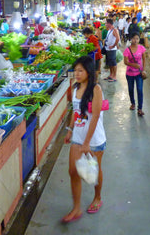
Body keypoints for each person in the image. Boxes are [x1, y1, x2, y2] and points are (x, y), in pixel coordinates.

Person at [63, 56, 106, 223]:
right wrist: (69, 130)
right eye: (76, 70)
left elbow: (95, 117)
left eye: (81, 70)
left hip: (94, 140)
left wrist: (87, 143)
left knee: (94, 171)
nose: (77, 74)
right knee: (73, 172)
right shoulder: (75, 88)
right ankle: (76, 208)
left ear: (89, 71)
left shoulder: (96, 90)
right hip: (77, 137)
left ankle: (97, 198)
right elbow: (75, 112)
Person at [123, 32, 146, 116]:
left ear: (139, 39)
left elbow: (144, 59)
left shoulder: (142, 48)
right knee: (131, 89)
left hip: (139, 73)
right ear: (131, 39)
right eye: (134, 38)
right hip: (129, 74)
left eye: (137, 38)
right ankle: (133, 103)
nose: (135, 40)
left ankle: (140, 108)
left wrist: (144, 70)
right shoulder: (127, 50)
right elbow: (125, 62)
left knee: (140, 90)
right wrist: (134, 65)